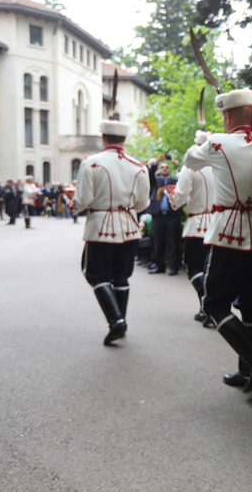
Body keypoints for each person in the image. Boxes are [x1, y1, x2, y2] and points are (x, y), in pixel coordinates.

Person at [182, 87, 252, 393]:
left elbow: (189, 159)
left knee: (214, 303)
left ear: (226, 116)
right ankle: (248, 371)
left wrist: (206, 137)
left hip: (229, 233)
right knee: (250, 303)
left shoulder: (216, 143)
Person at [71, 118, 150, 346]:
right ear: (124, 139)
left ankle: (116, 320)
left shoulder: (91, 163)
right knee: (121, 275)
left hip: (101, 226)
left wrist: (73, 205)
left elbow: (83, 200)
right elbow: (142, 203)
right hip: (129, 226)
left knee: (95, 274)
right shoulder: (139, 166)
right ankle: (120, 320)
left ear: (103, 137)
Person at [170, 130, 218, 325]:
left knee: (193, 267)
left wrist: (171, 200)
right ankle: (206, 309)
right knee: (210, 269)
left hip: (197, 224)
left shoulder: (190, 167)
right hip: (218, 223)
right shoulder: (220, 165)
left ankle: (210, 307)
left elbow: (179, 196)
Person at [146, 158, 182, 275]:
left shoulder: (175, 180)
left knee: (174, 241)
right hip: (158, 215)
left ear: (170, 169)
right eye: (162, 167)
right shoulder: (156, 181)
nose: (164, 168)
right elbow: (150, 174)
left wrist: (178, 165)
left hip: (173, 215)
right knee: (158, 241)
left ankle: (174, 266)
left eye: (167, 167)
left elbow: (184, 178)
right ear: (159, 170)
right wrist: (155, 163)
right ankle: (159, 265)